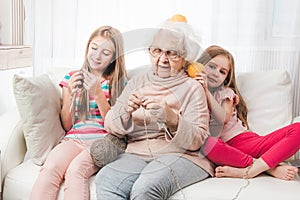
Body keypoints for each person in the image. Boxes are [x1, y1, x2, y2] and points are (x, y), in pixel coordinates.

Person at [94, 14, 214, 200]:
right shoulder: (137, 82)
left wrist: (172, 119)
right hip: (136, 153)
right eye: (157, 50)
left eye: (172, 53)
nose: (163, 59)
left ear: (185, 57)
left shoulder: (193, 88)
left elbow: (198, 140)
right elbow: (110, 124)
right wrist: (124, 111)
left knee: (145, 188)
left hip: (183, 156)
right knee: (106, 181)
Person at [30, 25, 127, 200]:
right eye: (94, 48)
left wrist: (98, 93)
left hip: (103, 141)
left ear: (114, 58)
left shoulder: (119, 83)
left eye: (105, 53)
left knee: (75, 171)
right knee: (50, 168)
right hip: (75, 138)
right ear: (87, 47)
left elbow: (115, 127)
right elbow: (67, 124)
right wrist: (71, 96)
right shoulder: (71, 78)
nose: (97, 56)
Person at [196, 45, 300, 180]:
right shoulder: (193, 91)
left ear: (226, 79)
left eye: (222, 72)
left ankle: (249, 171)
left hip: (246, 142)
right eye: (212, 67)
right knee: (208, 144)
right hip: (226, 149)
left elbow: (223, 119)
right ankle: (269, 169)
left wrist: (206, 91)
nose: (216, 73)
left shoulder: (225, 93)